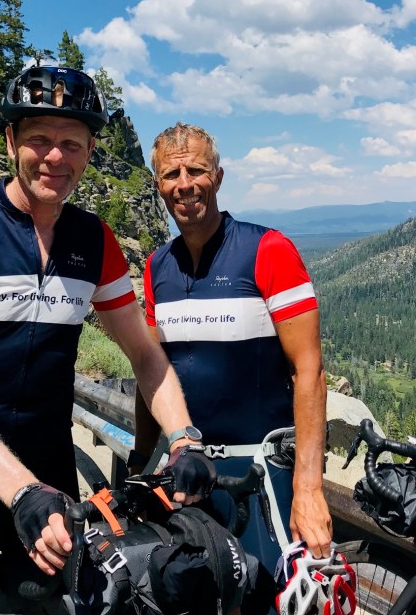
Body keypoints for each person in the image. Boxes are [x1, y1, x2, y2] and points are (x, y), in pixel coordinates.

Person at [0, 69, 214, 615]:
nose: (55, 157)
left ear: (89, 153)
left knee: (58, 606)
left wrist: (183, 439)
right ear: (11, 141)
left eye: (72, 143)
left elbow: (145, 354)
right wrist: (20, 490)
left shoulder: (94, 241)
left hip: (46, 455)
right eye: (39, 139)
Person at [134, 122, 332, 612]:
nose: (185, 184)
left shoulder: (268, 250)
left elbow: (309, 371)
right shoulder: (157, 266)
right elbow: (151, 371)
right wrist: (140, 462)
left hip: (262, 478)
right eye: (171, 174)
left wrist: (308, 489)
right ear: (158, 185)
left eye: (196, 171)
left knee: (267, 601)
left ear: (218, 177)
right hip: (187, 476)